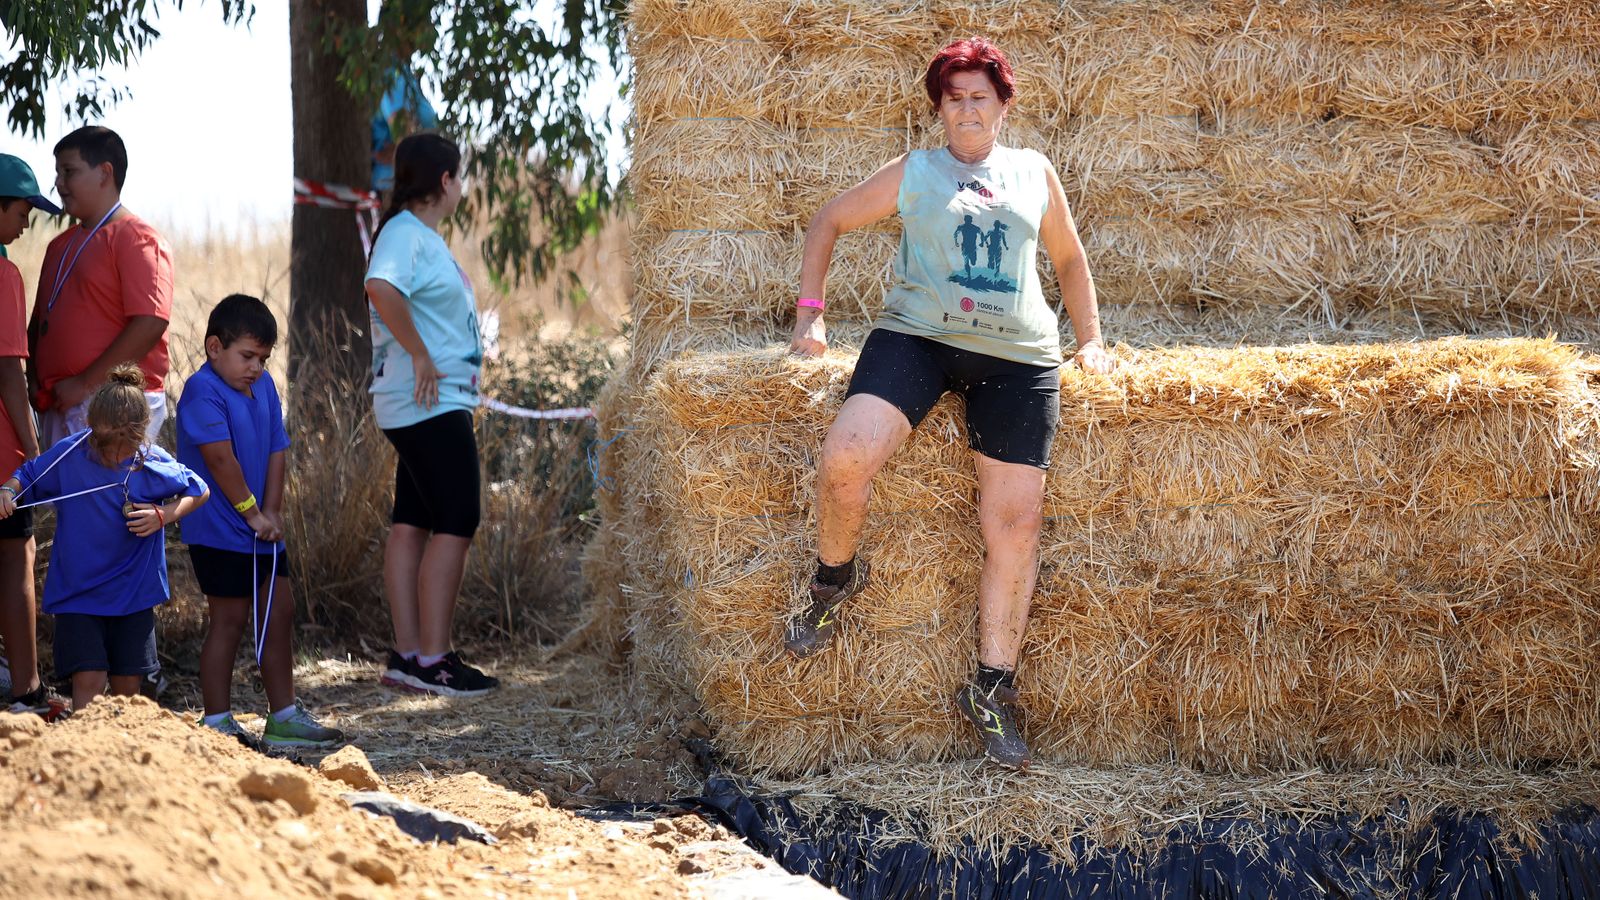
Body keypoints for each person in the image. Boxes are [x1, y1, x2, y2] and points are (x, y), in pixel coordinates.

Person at [784, 37, 1117, 769]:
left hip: (1018, 360)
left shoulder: (1034, 173)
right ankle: (833, 577)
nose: (967, 108)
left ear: (1002, 106)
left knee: (1015, 521)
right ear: (938, 108)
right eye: (954, 96)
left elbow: (1068, 259)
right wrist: (811, 314)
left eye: (980, 96)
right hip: (918, 339)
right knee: (845, 456)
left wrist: (1089, 339)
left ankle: (990, 689)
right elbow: (828, 220)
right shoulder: (916, 172)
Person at [178, 294, 345, 749]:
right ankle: (216, 720)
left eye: (263, 358)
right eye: (246, 356)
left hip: (260, 528)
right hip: (219, 529)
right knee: (228, 620)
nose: (255, 366)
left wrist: (272, 513)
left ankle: (284, 715)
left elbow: (277, 448)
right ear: (215, 347)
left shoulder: (266, 386)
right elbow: (219, 459)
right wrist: (251, 513)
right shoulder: (201, 390)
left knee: (280, 612)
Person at [363, 133, 497, 697]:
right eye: (459, 176)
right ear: (444, 181)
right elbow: (379, 287)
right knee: (458, 517)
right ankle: (435, 660)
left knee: (413, 521)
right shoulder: (404, 234)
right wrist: (419, 352)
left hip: (425, 402)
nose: (461, 187)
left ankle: (409, 656)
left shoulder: (417, 236)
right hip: (428, 402)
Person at [0, 364, 208, 712]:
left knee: (129, 687)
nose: (108, 454)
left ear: (140, 437)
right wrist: (8, 489)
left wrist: (164, 516)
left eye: (118, 448)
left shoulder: (151, 463)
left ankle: (126, 760)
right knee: (90, 679)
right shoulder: (72, 453)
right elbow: (29, 474)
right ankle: (87, 755)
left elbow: (199, 489)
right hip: (79, 595)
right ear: (90, 430)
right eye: (101, 443)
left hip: (133, 596)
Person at [28, 125, 173, 447]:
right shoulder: (59, 245)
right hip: (58, 402)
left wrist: (85, 384)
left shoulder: (138, 238)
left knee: (103, 498)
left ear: (105, 172)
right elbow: (40, 322)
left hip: (113, 404)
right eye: (57, 173)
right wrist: (34, 377)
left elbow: (150, 322)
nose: (58, 184)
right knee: (58, 498)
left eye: (69, 171)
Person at [0, 155, 58, 714]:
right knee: (17, 559)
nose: (25, 223)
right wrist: (37, 455)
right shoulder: (5, 274)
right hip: (1, 459)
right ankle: (27, 690)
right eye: (21, 211)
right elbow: (10, 374)